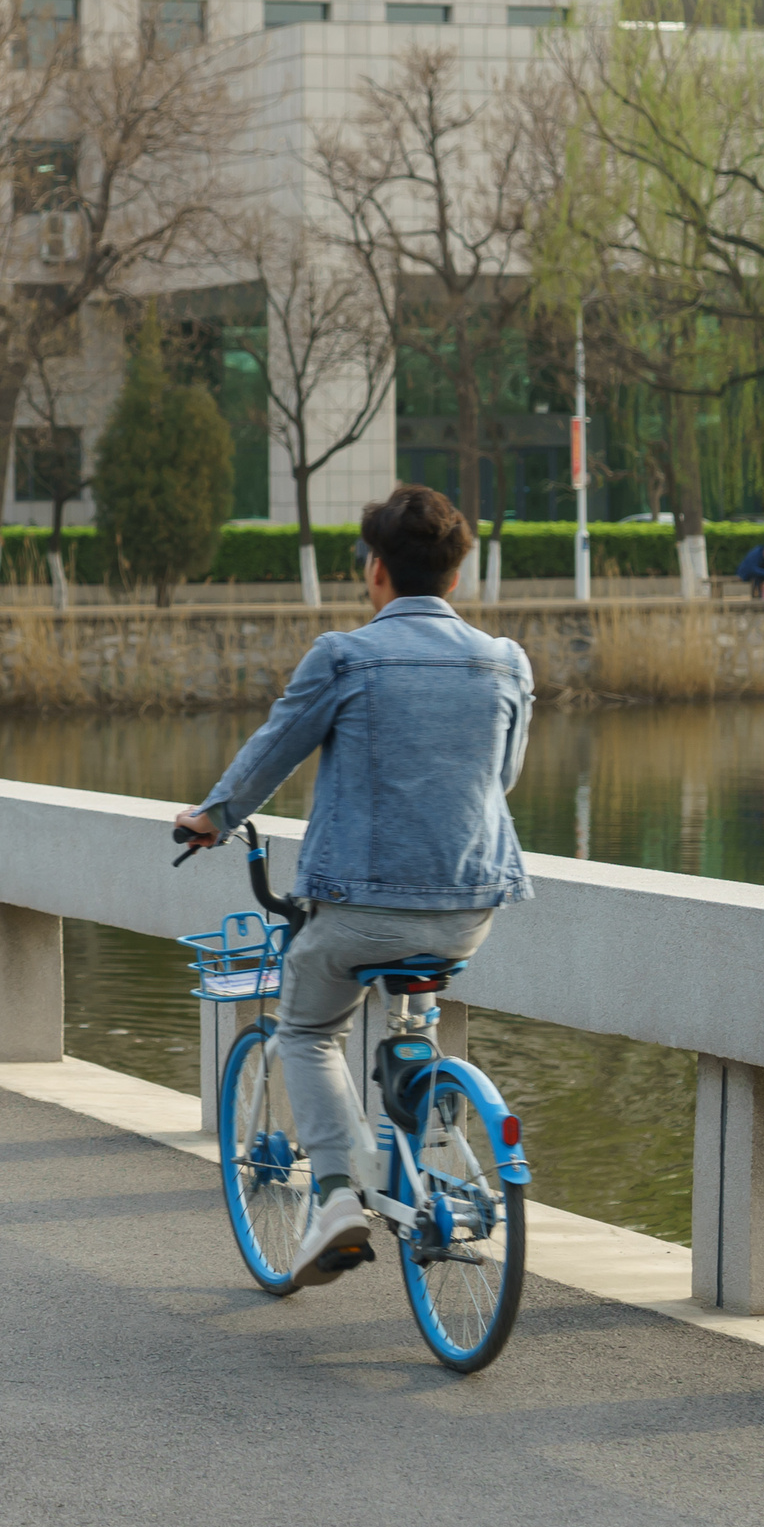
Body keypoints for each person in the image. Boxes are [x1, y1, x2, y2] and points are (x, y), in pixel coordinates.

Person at [175, 484, 532, 1289]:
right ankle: (424, 1131)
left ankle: (336, 1194)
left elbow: (275, 748)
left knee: (307, 1029)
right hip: (471, 908)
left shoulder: (345, 656)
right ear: (455, 575)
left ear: (375, 569)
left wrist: (212, 816)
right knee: (413, 1004)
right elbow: (499, 777)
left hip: (363, 909)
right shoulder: (507, 661)